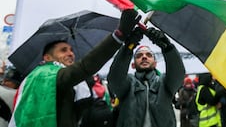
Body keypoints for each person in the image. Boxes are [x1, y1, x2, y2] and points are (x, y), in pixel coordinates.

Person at [8, 9, 140, 127]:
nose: (70, 53)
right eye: (63, 50)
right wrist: (118, 36)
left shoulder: (47, 77)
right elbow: (85, 67)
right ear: (47, 57)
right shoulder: (48, 74)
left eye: (71, 50)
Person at [107, 26, 185, 127]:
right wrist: (127, 48)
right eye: (139, 56)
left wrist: (167, 47)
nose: (144, 57)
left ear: (155, 63)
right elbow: (115, 79)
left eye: (149, 55)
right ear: (133, 65)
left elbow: (178, 73)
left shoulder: (164, 83)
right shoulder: (128, 84)